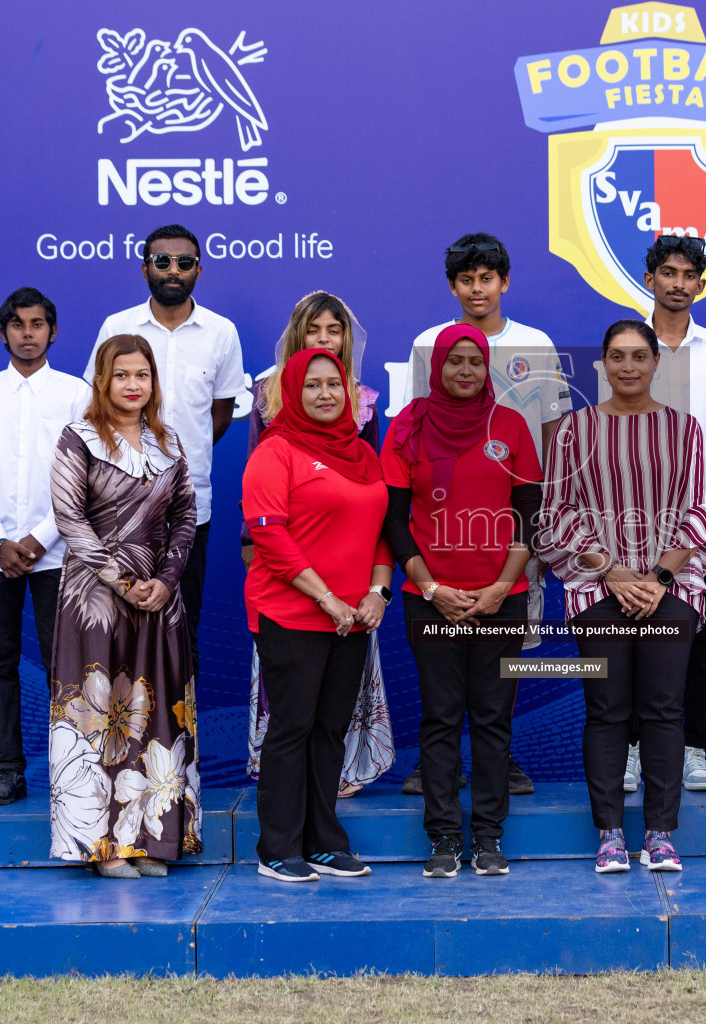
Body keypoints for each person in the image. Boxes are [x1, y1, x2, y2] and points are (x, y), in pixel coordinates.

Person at [539, 320, 706, 874]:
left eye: (639, 356)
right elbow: (557, 513)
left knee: (665, 710)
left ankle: (662, 834)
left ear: (655, 363)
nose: (628, 366)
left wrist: (657, 578)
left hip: (669, 588)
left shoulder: (686, 430)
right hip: (599, 589)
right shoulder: (574, 432)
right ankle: (609, 834)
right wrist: (618, 573)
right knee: (607, 712)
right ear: (602, 364)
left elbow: (702, 509)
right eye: (617, 356)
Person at [398, 232, 569, 796]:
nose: (478, 289)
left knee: (511, 641)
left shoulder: (536, 343)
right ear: (453, 286)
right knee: (445, 659)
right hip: (442, 521)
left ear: (505, 282)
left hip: (515, 520)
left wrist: (549, 509)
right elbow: (413, 426)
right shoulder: (430, 342)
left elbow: (554, 432)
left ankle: (502, 752)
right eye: (466, 279)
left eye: (487, 278)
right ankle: (436, 760)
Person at [384, 324, 543, 878]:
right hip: (432, 601)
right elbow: (395, 520)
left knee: (494, 719)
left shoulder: (511, 425)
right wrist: (431, 588)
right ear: (436, 368)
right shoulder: (407, 428)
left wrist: (502, 585)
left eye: (475, 360)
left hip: (503, 597)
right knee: (442, 716)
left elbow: (530, 512)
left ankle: (490, 837)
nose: (466, 371)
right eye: (455, 361)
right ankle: (445, 839)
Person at [48, 335, 200, 879]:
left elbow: (186, 517)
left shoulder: (170, 441)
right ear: (102, 381)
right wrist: (121, 580)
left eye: (143, 375)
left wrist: (165, 578)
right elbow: (70, 520)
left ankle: (147, 840)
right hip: (96, 601)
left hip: (159, 602)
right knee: (100, 717)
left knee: (153, 714)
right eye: (122, 375)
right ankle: (103, 847)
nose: (133, 385)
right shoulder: (79, 438)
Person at [243, 348, 392, 883]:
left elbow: (382, 530)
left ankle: (324, 843)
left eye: (334, 384)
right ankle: (277, 847)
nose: (325, 394)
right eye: (312, 385)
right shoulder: (275, 450)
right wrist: (326, 598)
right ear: (291, 393)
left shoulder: (363, 454)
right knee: (292, 728)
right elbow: (269, 533)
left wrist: (378, 593)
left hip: (353, 617)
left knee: (331, 730)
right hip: (293, 613)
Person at [0, 287, 90, 806]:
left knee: (66, 666)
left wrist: (37, 538)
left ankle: (71, 773)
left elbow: (80, 477)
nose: (28, 333)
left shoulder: (76, 394)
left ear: (53, 332)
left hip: (56, 552)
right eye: (18, 324)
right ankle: (9, 770)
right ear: (3, 332)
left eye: (38, 324)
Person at [89, 224, 244, 670]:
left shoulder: (221, 332)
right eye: (163, 261)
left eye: (184, 262)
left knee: (182, 627)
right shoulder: (117, 327)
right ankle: (126, 739)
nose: (173, 270)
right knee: (117, 631)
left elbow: (218, 414)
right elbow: (96, 407)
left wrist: (174, 462)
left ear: (199, 269)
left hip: (187, 506)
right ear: (144, 269)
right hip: (118, 505)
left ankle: (182, 739)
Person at [618, 235, 706, 795]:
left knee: (699, 634)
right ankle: (635, 750)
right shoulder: (625, 344)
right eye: (667, 272)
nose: (677, 283)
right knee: (631, 631)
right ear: (650, 279)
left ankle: (693, 749)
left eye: (688, 274)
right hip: (632, 516)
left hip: (697, 516)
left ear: (701, 284)